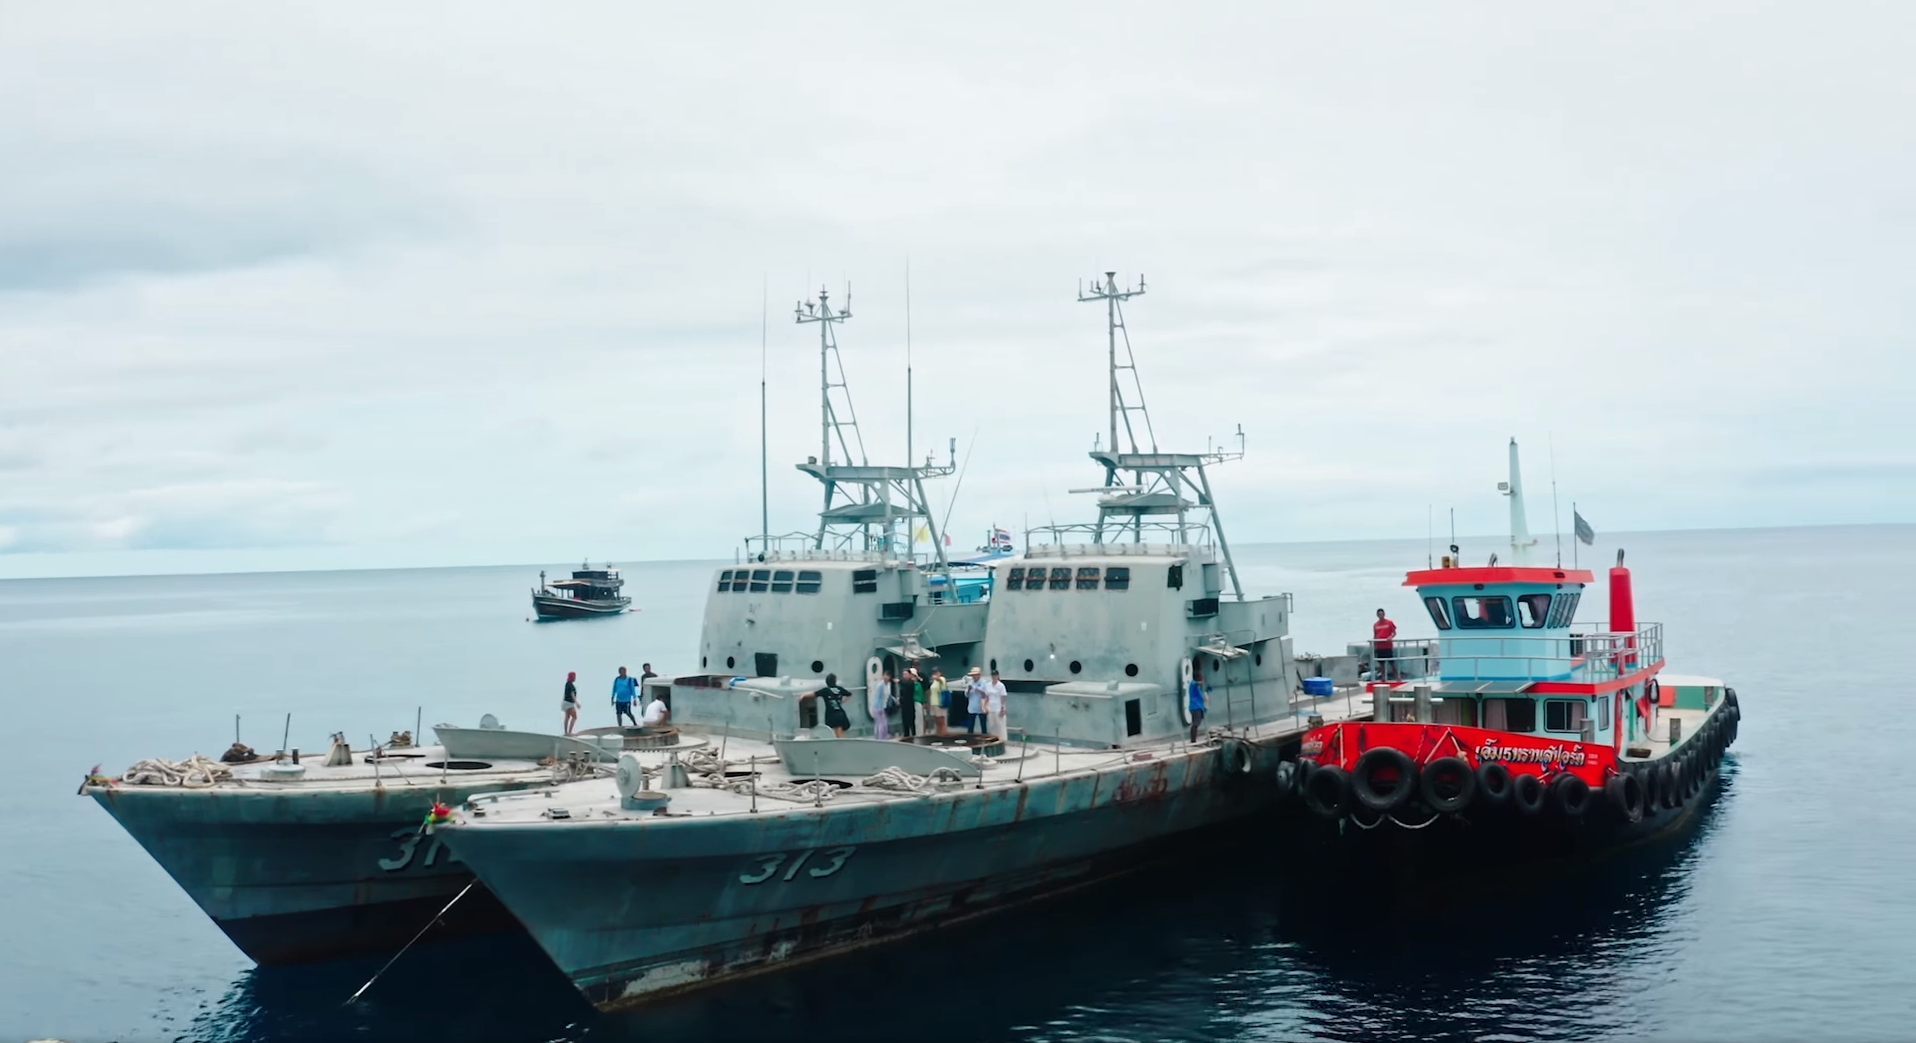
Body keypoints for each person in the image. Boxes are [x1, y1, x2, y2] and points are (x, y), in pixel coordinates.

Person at [1373, 608, 1399, 682]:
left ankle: (1397, 677)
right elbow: (1375, 635)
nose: (1381, 615)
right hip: (1379, 646)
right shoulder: (1375, 625)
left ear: (1384, 614)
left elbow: (1394, 633)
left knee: (1392, 662)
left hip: (1388, 646)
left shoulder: (1389, 622)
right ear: (1377, 615)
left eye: (1382, 614)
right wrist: (1375, 645)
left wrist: (1390, 637)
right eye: (1379, 614)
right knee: (1381, 664)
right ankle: (1383, 678)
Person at [983, 668, 1009, 741]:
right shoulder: (988, 685)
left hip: (998, 708)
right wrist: (985, 706)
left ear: (998, 676)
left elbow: (1003, 697)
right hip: (991, 708)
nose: (994, 677)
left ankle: (1003, 741)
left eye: (995, 675)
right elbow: (987, 697)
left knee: (1000, 726)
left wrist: (1002, 708)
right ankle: (994, 740)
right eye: (992, 675)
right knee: (992, 726)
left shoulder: (1001, 686)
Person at [871, 671, 894, 740]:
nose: (886, 677)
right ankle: (880, 738)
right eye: (885, 675)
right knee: (880, 723)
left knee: (883, 723)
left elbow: (889, 695)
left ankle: (883, 736)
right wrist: (879, 707)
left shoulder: (888, 685)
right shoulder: (880, 685)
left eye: (888, 676)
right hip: (878, 707)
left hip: (884, 706)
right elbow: (878, 697)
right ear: (883, 676)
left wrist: (894, 700)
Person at [900, 666, 921, 739]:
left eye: (906, 674)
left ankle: (914, 735)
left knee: (911, 721)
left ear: (909, 674)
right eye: (903, 674)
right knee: (905, 721)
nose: (904, 676)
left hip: (910, 705)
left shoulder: (911, 682)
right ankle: (906, 735)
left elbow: (907, 685)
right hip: (904, 705)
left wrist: (899, 681)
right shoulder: (903, 684)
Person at [1187, 666, 1207, 742]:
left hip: (1199, 707)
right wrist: (1200, 682)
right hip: (1195, 707)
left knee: (1197, 723)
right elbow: (1196, 683)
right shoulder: (1193, 684)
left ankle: (1194, 739)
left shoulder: (1198, 687)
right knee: (1195, 724)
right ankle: (1193, 740)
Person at [927, 668, 949, 736]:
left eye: (937, 672)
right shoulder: (934, 681)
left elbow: (940, 680)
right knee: (936, 719)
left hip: (939, 702)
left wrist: (936, 677)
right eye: (934, 672)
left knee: (940, 720)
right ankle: (938, 733)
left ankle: (943, 733)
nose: (935, 673)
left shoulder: (942, 679)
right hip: (933, 702)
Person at [963, 666, 986, 734]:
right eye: (972, 675)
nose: (973, 677)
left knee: (983, 725)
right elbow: (966, 695)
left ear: (978, 675)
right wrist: (969, 690)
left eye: (974, 675)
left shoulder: (983, 682)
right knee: (970, 725)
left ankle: (984, 739)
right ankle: (970, 739)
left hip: (981, 707)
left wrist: (975, 688)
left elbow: (984, 693)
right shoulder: (970, 682)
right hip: (972, 706)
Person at [561, 670, 579, 736]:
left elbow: (565, 694)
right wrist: (577, 703)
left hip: (565, 702)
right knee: (574, 717)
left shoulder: (567, 684)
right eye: (574, 677)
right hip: (569, 703)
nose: (575, 678)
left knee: (567, 717)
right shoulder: (571, 685)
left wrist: (563, 702)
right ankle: (569, 732)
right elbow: (572, 695)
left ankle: (566, 732)